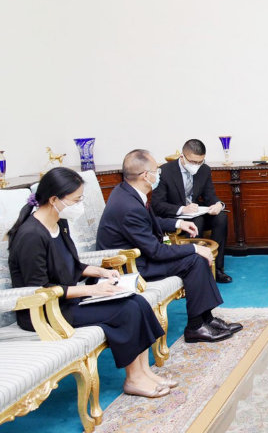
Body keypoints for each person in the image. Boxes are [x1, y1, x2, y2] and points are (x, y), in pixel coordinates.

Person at [8, 167, 174, 398]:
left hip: (68, 299)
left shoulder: (59, 221)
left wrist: (99, 272)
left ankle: (145, 372)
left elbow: (71, 263)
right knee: (126, 310)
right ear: (54, 199)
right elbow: (40, 290)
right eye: (76, 200)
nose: (79, 205)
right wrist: (92, 289)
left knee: (137, 301)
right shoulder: (31, 236)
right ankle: (134, 379)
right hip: (45, 311)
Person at [97, 149, 242, 343]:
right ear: (145, 175)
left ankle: (206, 319)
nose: (159, 173)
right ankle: (196, 327)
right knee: (194, 260)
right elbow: (156, 251)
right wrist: (195, 248)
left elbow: (149, 221)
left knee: (196, 258)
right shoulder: (129, 207)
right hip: (131, 265)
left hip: (142, 254)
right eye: (156, 169)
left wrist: (177, 223)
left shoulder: (126, 191)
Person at [151, 139, 231, 283]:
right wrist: (182, 209)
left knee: (221, 217)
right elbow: (157, 205)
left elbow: (209, 195)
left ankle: (217, 269)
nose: (197, 166)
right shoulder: (165, 171)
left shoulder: (204, 170)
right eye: (193, 162)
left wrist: (218, 204)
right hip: (173, 216)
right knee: (197, 221)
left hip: (195, 212)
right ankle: (195, 269)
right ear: (183, 157)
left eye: (200, 162)